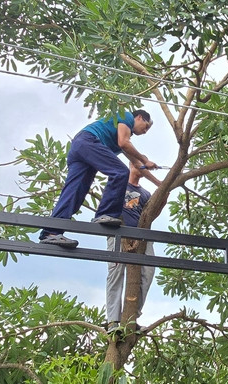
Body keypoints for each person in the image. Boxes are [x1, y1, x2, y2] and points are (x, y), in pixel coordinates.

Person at [40, 110, 157, 248]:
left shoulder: (121, 132)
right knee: (120, 172)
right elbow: (124, 143)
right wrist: (145, 159)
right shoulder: (127, 117)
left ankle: (51, 232)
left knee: (74, 192)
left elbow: (137, 164)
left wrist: (159, 183)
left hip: (80, 148)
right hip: (89, 141)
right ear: (139, 117)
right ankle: (105, 213)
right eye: (146, 126)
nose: (145, 132)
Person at [105, 163, 158, 332]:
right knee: (116, 272)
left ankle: (130, 318)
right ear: (131, 164)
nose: (145, 168)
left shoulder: (145, 194)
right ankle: (113, 321)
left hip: (142, 236)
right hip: (118, 233)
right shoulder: (118, 183)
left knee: (148, 271)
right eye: (141, 164)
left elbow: (150, 215)